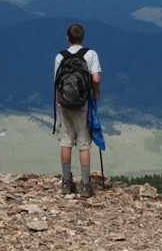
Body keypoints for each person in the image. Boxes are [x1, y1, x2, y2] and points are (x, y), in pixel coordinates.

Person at [54, 23, 101, 197]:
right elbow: (95, 78)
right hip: (83, 104)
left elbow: (57, 83)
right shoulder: (91, 54)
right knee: (83, 144)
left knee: (66, 142)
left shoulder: (60, 56)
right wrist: (95, 93)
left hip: (64, 104)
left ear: (68, 38)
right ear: (83, 38)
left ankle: (66, 183)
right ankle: (86, 185)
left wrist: (59, 103)